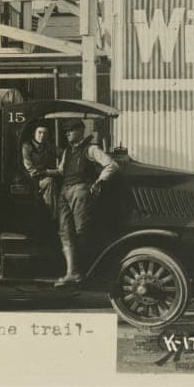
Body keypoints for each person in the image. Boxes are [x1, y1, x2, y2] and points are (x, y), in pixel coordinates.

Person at [54, 118, 119, 287]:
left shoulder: (91, 149)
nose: (67, 133)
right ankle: (71, 273)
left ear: (80, 131)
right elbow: (61, 170)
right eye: (66, 130)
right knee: (65, 232)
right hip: (65, 192)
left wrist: (99, 181)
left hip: (80, 190)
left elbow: (111, 165)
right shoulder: (68, 151)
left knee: (81, 231)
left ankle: (87, 272)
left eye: (70, 129)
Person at [21, 123, 60, 216]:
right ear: (34, 133)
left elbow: (63, 153)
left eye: (45, 133)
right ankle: (51, 215)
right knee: (50, 182)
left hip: (42, 175)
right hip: (30, 179)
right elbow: (31, 170)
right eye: (40, 132)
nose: (42, 136)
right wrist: (48, 172)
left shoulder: (47, 145)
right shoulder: (26, 146)